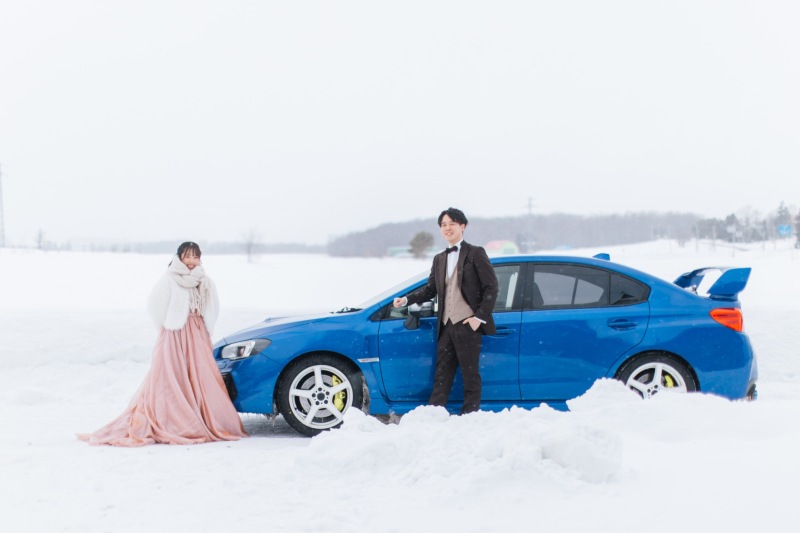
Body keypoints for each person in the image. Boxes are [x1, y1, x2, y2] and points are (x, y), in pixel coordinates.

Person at [78, 242, 247, 446]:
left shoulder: (205, 280)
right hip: (175, 333)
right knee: (172, 375)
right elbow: (154, 305)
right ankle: (176, 420)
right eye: (187, 257)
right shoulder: (170, 278)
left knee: (200, 375)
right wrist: (167, 327)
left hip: (197, 332)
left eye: (195, 257)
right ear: (179, 257)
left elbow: (213, 306)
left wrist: (204, 326)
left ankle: (202, 417)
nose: (191, 261)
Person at [393, 208, 498, 414]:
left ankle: (470, 416)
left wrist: (479, 318)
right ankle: (434, 415)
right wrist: (407, 299)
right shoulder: (439, 258)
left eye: (452, 224)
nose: (447, 228)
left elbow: (491, 286)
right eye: (443, 225)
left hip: (468, 324)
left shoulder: (475, 253)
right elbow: (431, 289)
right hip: (446, 326)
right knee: (442, 374)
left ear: (462, 226)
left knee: (470, 375)